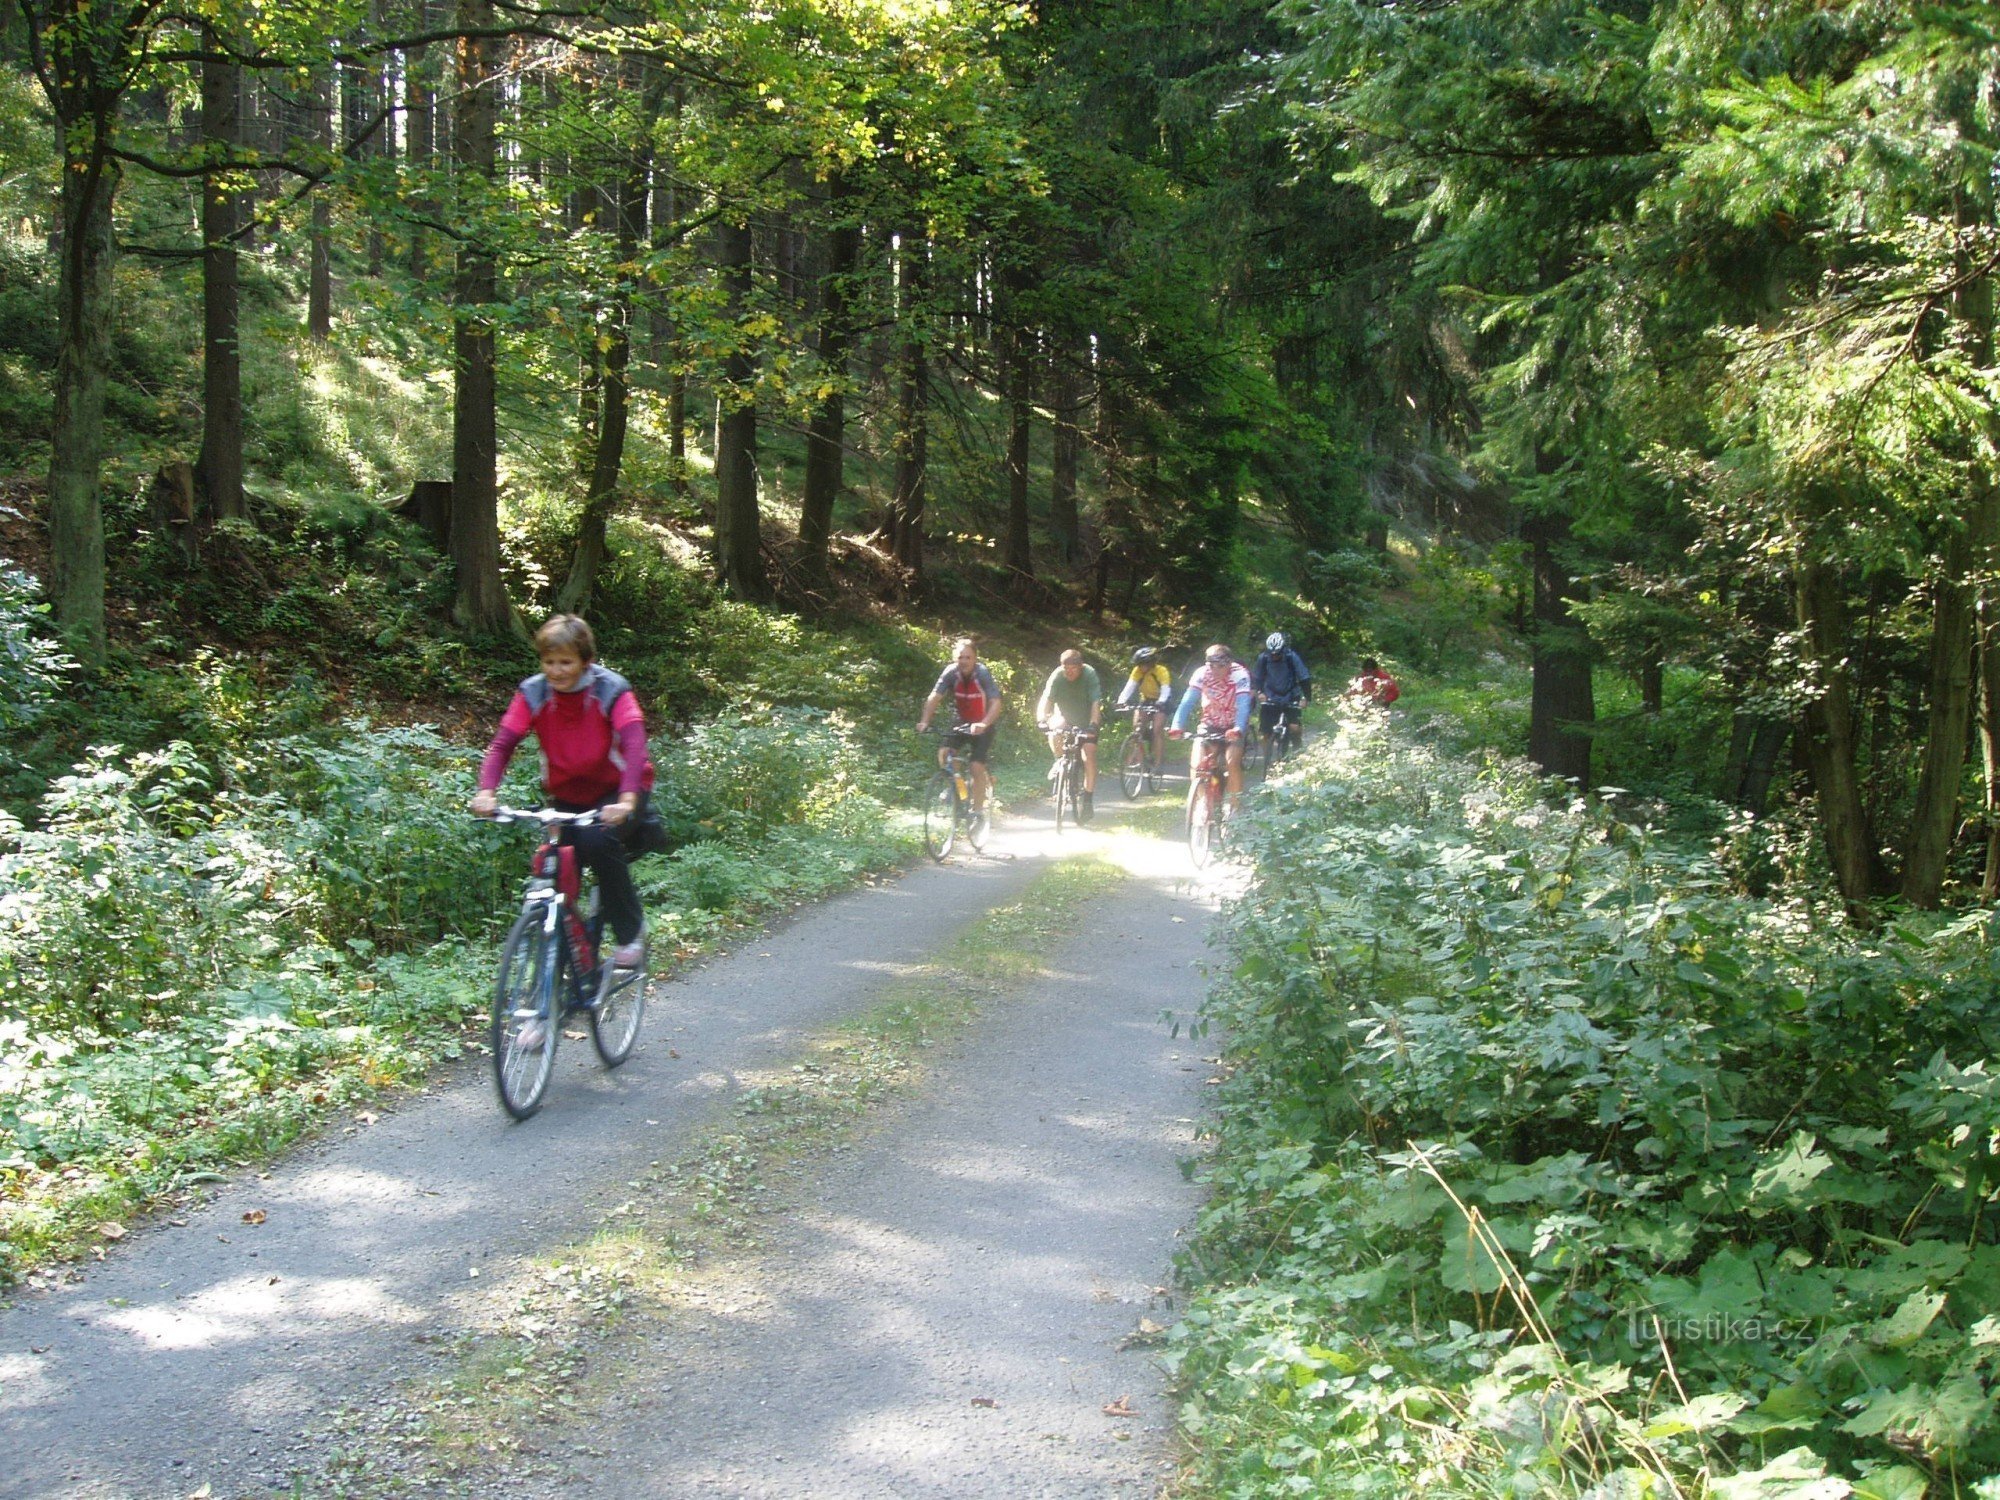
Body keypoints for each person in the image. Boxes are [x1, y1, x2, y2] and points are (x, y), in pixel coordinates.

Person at [471, 614, 656, 974]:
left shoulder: (611, 690)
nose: (556, 671)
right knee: (553, 865)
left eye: (566, 662)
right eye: (549, 662)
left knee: (596, 843)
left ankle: (630, 934)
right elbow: (503, 744)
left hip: (618, 790)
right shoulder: (533, 692)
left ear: (586, 661)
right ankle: (550, 994)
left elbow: (635, 746)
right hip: (567, 794)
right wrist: (486, 792)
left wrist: (628, 801)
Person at [915, 637, 1003, 822]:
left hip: (983, 724)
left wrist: (984, 724)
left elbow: (996, 702)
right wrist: (924, 721)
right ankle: (955, 787)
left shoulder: (983, 674)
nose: (964, 661)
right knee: (945, 753)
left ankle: (978, 812)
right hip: (961, 721)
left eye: (968, 657)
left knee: (976, 766)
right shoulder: (951, 673)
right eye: (960, 657)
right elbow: (934, 697)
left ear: (975, 659)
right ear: (955, 658)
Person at [1169, 643, 1253, 808]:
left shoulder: (1240, 674)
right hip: (1209, 723)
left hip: (1232, 724)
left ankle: (1234, 808)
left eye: (1220, 666)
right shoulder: (1201, 674)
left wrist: (1238, 728)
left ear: (1229, 664)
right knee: (1197, 763)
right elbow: (1187, 702)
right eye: (1211, 666)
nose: (1215, 671)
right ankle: (1202, 804)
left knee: (1232, 761)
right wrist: (1177, 725)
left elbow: (1244, 705)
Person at [1035, 648, 1103, 821]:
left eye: (1073, 669)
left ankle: (1087, 800)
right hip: (1065, 717)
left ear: (1081, 667)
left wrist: (1093, 725)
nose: (1069, 673)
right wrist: (1041, 719)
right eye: (1066, 669)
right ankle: (1060, 761)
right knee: (1055, 727)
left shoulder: (1090, 675)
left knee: (1089, 753)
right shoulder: (1057, 675)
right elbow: (1046, 700)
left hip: (1086, 720)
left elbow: (1096, 703)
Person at [1250, 631, 1313, 758]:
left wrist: (1306, 698)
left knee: (1294, 727)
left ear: (1283, 650)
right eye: (1271, 654)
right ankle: (1267, 762)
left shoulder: (1291, 657)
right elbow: (1258, 678)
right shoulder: (1263, 658)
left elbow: (1304, 677)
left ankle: (1297, 748)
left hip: (1291, 694)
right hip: (1271, 695)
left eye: (1277, 654)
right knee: (1264, 733)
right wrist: (1260, 692)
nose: (1274, 656)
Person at [1117, 645, 1174, 771]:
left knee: (1157, 730)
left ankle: (1158, 764)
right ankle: (1137, 757)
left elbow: (1165, 689)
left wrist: (1160, 702)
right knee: (1137, 728)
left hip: (1162, 700)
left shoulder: (1161, 671)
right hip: (1146, 699)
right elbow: (1129, 687)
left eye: (1142, 664)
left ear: (1151, 663)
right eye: (1138, 664)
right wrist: (1121, 701)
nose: (1140, 667)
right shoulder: (1137, 671)